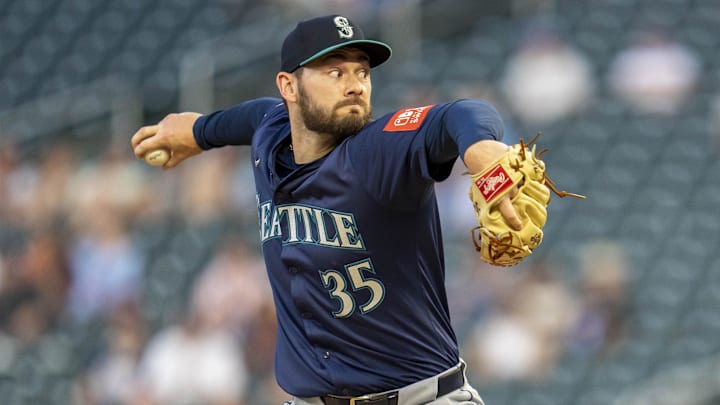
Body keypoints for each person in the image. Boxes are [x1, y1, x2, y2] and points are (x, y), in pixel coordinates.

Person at [132, 14, 523, 405]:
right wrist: (199, 131)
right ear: (289, 86)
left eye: (363, 73)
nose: (355, 86)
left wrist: (478, 146)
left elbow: (462, 114)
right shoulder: (271, 135)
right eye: (335, 72)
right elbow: (254, 116)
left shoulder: (380, 151)